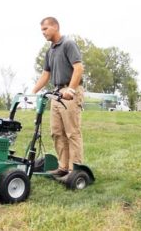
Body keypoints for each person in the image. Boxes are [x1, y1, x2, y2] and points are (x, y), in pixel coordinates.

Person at [32, 17, 84, 177]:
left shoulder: (68, 44)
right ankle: (63, 167)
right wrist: (31, 93)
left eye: (45, 29)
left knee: (71, 132)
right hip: (56, 93)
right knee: (56, 132)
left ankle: (75, 169)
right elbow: (45, 75)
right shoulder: (50, 51)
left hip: (69, 93)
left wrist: (71, 89)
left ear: (55, 27)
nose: (43, 33)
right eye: (41, 30)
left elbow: (78, 68)